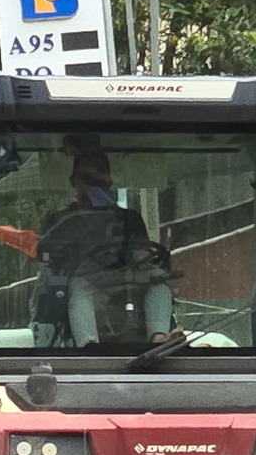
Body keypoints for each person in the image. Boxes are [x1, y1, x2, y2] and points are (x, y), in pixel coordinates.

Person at [33, 148, 174, 347]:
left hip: (127, 283)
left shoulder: (129, 218)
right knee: (80, 287)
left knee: (160, 283)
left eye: (98, 182)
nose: (93, 187)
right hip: (84, 283)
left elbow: (144, 252)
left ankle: (159, 339)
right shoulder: (60, 221)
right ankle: (89, 346)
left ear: (108, 182)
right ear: (74, 181)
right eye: (87, 180)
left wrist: (142, 258)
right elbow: (46, 258)